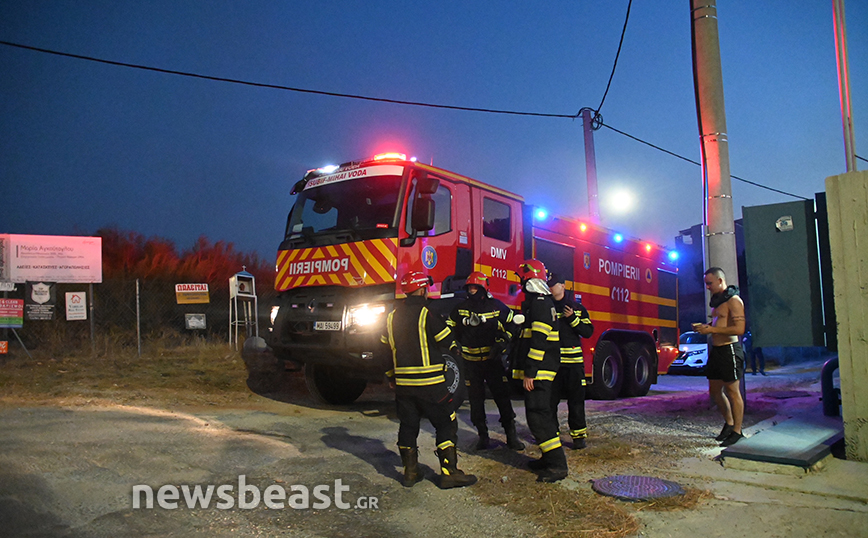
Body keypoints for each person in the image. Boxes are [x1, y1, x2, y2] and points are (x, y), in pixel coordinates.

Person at [379, 271, 477, 489]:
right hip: (431, 385)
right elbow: (447, 340)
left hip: (404, 386)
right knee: (446, 422)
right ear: (422, 289)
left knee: (408, 425)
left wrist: (390, 376)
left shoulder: (391, 317)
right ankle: (449, 472)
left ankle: (410, 472)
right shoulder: (427, 313)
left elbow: (384, 350)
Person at [448, 271, 524, 451]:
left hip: (493, 362)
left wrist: (503, 341)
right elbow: (449, 328)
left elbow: (513, 324)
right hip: (470, 363)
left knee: (502, 398)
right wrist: (453, 346)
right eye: (470, 287)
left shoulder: (496, 306)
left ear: (483, 288)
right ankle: (483, 436)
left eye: (476, 287)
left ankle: (511, 435)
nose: (472, 290)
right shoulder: (460, 308)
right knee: (475, 401)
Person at [511, 259, 569, 482]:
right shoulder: (540, 302)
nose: (521, 284)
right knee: (539, 415)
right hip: (543, 369)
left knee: (538, 417)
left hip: (540, 371)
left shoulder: (539, 303)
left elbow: (539, 341)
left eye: (522, 279)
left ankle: (557, 465)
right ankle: (548, 458)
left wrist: (530, 371)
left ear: (528, 279)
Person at [695, 267, 747, 447]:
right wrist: (706, 327)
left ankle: (738, 431)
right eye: (706, 284)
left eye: (710, 283)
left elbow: (739, 330)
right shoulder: (718, 302)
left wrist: (712, 330)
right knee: (715, 392)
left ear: (719, 280)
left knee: (733, 392)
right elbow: (719, 322)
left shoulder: (734, 301)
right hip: (716, 350)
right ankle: (729, 423)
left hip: (729, 349)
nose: (707, 287)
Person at [547, 273, 595, 450]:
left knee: (576, 401)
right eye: (548, 285)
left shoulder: (576, 308)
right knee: (550, 402)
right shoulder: (547, 307)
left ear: (563, 286)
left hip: (573, 364)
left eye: (553, 285)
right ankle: (552, 435)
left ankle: (578, 436)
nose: (550, 288)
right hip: (553, 364)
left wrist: (573, 319)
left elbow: (588, 332)